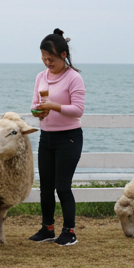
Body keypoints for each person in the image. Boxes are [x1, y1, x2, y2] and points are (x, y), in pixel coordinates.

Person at [30, 29, 86, 246]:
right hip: (47, 137)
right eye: (44, 58)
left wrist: (53, 106)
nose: (47, 63)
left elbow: (78, 110)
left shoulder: (74, 78)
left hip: (69, 138)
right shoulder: (40, 77)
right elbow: (36, 104)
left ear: (64, 55)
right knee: (45, 186)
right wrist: (39, 111)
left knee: (62, 186)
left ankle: (69, 231)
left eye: (51, 59)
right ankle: (47, 228)